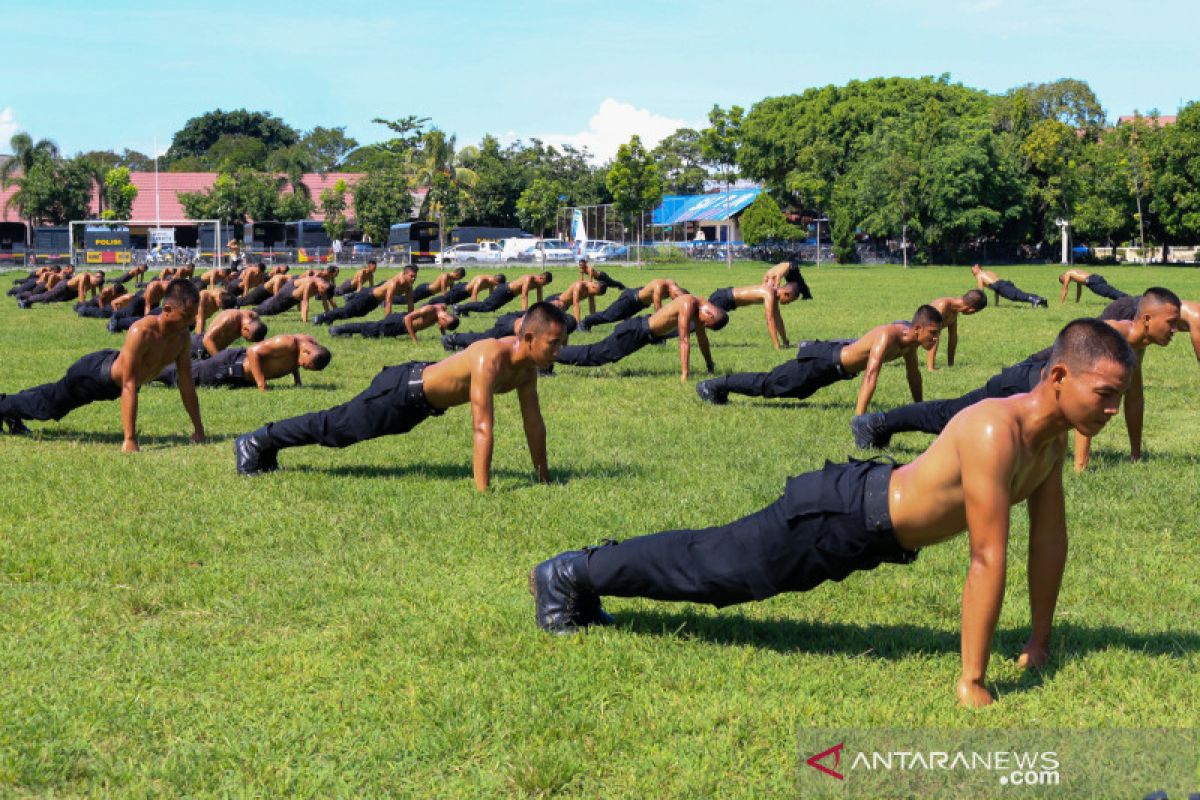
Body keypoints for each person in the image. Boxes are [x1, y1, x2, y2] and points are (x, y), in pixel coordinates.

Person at [531, 318, 1137, 708]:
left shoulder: (1050, 441)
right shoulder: (993, 430)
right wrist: (972, 680)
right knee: (713, 572)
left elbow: (1048, 541)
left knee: (716, 570)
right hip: (837, 514)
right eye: (1103, 394)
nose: (1112, 409)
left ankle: (581, 575)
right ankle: (568, 574)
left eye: (1121, 397)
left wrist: (1038, 639)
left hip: (864, 527)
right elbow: (986, 556)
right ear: (1058, 377)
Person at [233, 302, 570, 490]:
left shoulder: (525, 371)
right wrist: (483, 492)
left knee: (338, 430)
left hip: (417, 406)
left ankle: (267, 443)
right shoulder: (489, 357)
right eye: (552, 343)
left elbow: (533, 425)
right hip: (400, 391)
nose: (558, 351)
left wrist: (544, 479)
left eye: (561, 344)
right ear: (528, 337)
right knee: (335, 429)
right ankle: (257, 440)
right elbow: (482, 427)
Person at [852, 288, 1180, 471]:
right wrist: (1081, 467)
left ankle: (880, 423)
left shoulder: (1135, 347)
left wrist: (1136, 456)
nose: (1176, 330)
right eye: (1171, 323)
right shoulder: (1113, 336)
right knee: (952, 416)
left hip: (1038, 383)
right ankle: (876, 423)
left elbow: (1134, 398)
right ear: (1147, 319)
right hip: (1024, 379)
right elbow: (1085, 399)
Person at [0, 279, 206, 451]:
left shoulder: (182, 337)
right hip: (94, 375)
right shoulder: (141, 332)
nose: (191, 322)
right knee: (50, 406)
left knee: (52, 396)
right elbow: (129, 384)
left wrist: (198, 430)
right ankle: (4, 406)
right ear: (168, 309)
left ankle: (10, 409)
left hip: (112, 376)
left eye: (193, 316)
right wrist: (130, 440)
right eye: (186, 316)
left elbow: (186, 382)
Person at [697, 306, 943, 412]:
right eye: (933, 334)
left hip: (834, 369)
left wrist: (919, 407)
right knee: (770, 384)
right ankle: (714, 385)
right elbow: (871, 374)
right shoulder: (888, 336)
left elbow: (914, 375)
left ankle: (720, 386)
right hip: (823, 361)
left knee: (790, 390)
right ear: (919, 328)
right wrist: (860, 418)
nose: (935, 340)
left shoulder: (910, 343)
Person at [555, 294, 727, 382]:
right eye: (706, 324)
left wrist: (709, 365)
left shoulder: (699, 308)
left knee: (597, 354)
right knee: (595, 355)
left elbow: (702, 340)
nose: (703, 326)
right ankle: (552, 354)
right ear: (709, 315)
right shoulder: (688, 304)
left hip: (641, 334)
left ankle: (553, 354)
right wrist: (685, 374)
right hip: (635, 331)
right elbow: (684, 340)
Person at [159, 334, 330, 392]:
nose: (303, 367)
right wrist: (262, 385)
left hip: (240, 376)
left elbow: (294, 362)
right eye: (306, 365)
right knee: (183, 378)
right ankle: (149, 370)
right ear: (307, 352)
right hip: (231, 365)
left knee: (190, 370)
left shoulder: (306, 346)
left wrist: (297, 381)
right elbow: (252, 352)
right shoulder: (286, 342)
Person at [1101, 291, 1200, 364]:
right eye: (1171, 323)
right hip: (1130, 308)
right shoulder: (1197, 316)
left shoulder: (1137, 345)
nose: (1175, 330)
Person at [706, 281, 804, 349]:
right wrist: (776, 345)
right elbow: (770, 319)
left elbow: (778, 319)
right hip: (723, 298)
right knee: (699, 321)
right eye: (789, 301)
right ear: (787, 294)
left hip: (728, 301)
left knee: (698, 322)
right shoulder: (769, 293)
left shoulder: (774, 295)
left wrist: (785, 341)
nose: (788, 303)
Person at [312, 267, 418, 324]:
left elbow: (410, 304)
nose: (413, 279)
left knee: (355, 314)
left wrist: (412, 318)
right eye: (411, 276)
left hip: (374, 302)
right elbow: (388, 303)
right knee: (347, 310)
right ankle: (321, 317)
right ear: (404, 274)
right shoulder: (394, 283)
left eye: (415, 277)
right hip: (368, 296)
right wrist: (387, 322)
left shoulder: (408, 286)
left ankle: (330, 317)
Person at [578, 278, 686, 332]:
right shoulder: (659, 285)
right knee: (609, 316)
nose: (674, 300)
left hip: (639, 304)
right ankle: (585, 322)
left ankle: (624, 329)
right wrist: (659, 325)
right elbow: (658, 308)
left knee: (624, 319)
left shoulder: (675, 288)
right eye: (675, 298)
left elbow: (684, 297)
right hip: (630, 299)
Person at [923, 289, 988, 371]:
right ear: (971, 310)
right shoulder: (943, 306)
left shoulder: (954, 310)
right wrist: (931, 367)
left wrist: (951, 364)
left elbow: (953, 337)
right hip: (908, 338)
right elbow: (933, 335)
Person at [329, 303, 460, 341]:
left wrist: (444, 336)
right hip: (398, 323)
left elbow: (441, 324)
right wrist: (414, 339)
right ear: (444, 319)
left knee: (371, 330)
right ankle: (337, 329)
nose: (441, 326)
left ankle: (343, 331)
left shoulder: (442, 309)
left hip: (401, 326)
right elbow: (408, 318)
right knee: (371, 329)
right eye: (443, 326)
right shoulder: (430, 310)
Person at [454, 272, 553, 316]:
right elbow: (524, 296)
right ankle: (459, 308)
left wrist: (542, 312)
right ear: (541, 278)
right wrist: (524, 314)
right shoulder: (529, 278)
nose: (544, 285)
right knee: (486, 306)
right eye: (545, 283)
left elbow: (540, 300)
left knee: (491, 308)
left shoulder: (539, 284)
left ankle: (464, 309)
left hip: (509, 295)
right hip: (504, 290)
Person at [191, 308, 268, 359]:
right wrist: (220, 360)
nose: (246, 339)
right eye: (247, 338)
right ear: (245, 329)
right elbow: (207, 340)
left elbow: (260, 338)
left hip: (216, 350)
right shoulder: (229, 319)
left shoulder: (255, 318)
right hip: (198, 345)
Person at [255, 275, 337, 322]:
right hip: (287, 292)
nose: (321, 294)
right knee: (272, 308)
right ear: (321, 287)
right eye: (322, 292)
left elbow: (325, 302)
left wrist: (328, 316)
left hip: (294, 298)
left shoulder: (323, 286)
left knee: (275, 308)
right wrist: (305, 321)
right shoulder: (310, 284)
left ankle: (256, 310)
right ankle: (254, 311)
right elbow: (305, 302)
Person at [971, 264, 1047, 309]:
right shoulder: (989, 272)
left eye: (972, 270)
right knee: (1019, 293)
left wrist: (978, 305)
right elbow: (996, 289)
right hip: (1005, 283)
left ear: (977, 268)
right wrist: (997, 304)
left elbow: (981, 292)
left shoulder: (979, 275)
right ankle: (1041, 299)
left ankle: (1034, 300)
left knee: (1016, 295)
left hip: (1001, 287)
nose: (972, 273)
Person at [1059, 268, 1129, 304]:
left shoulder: (1068, 274)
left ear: (1063, 278)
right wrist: (1077, 301)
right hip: (1095, 277)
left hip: (1092, 281)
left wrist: (1061, 303)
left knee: (1108, 292)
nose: (1068, 282)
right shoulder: (1073, 272)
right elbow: (1079, 289)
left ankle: (1127, 299)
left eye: (1065, 281)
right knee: (1109, 291)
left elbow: (1065, 289)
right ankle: (1124, 299)